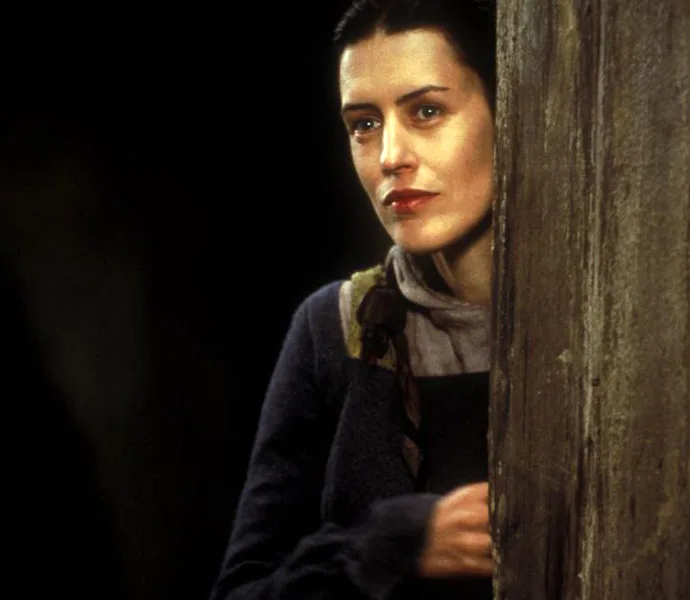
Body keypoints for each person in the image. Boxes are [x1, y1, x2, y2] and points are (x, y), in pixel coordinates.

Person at [209, 0, 497, 598]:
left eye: (427, 111)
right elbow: (241, 591)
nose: (391, 156)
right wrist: (382, 549)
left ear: (508, 110)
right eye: (365, 124)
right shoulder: (335, 329)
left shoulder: (608, 321)